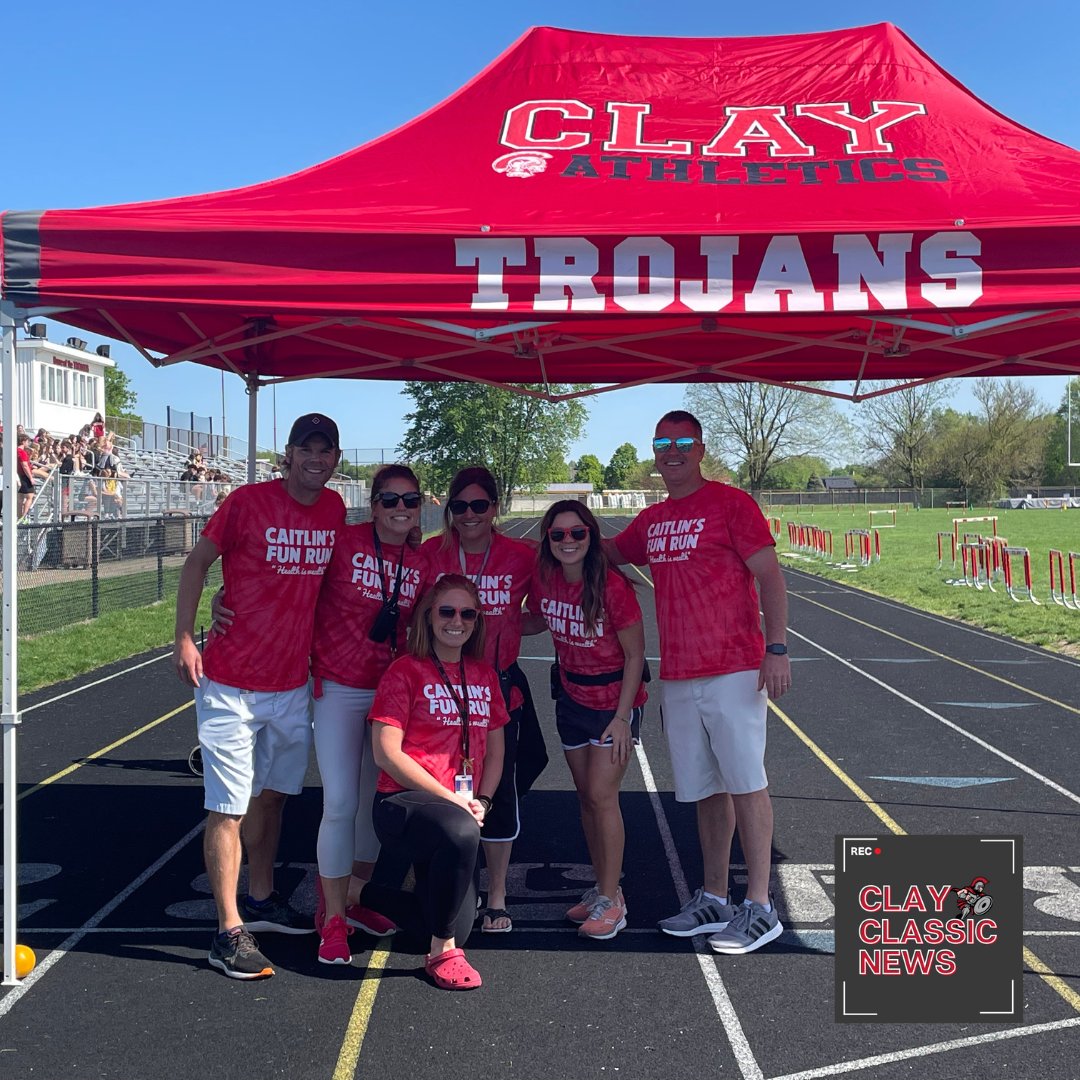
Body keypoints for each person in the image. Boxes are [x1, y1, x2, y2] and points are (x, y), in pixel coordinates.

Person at [608, 410, 791, 955]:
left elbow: (770, 576)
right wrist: (550, 541)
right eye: (662, 442)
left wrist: (777, 648)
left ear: (701, 450)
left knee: (746, 783)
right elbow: (606, 553)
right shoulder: (652, 519)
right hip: (680, 673)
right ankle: (715, 896)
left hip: (735, 668)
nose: (672, 451)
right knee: (705, 790)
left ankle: (760, 906)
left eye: (683, 442)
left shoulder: (732, 505)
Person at [173, 413, 344, 980]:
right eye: (306, 449)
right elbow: (198, 561)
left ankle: (263, 897)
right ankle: (227, 932)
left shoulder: (334, 509)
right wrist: (184, 636)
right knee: (228, 806)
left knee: (274, 798)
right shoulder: (247, 502)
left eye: (325, 450)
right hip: (231, 685)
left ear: (335, 459)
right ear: (288, 454)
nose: (316, 459)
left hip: (291, 685)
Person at [307, 464, 432, 964]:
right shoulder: (343, 542)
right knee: (339, 803)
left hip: (388, 694)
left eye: (410, 500)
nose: (401, 508)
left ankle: (352, 901)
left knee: (371, 805)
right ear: (374, 505)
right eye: (390, 500)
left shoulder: (419, 561)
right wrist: (229, 596)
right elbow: (295, 586)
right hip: (338, 686)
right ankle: (331, 918)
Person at [419, 467, 546, 934]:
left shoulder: (520, 555)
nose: (469, 514)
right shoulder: (431, 554)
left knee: (498, 794)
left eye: (479, 505)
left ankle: (496, 895)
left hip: (497, 690)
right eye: (459, 506)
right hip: (439, 689)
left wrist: (506, 624)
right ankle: (450, 880)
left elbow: (545, 610)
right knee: (440, 787)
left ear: (494, 508)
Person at [369, 573, 508, 990]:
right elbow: (386, 753)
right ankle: (441, 953)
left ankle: (354, 893)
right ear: (429, 617)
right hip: (402, 804)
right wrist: (452, 799)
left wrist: (483, 799)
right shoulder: (404, 671)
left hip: (458, 811)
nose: (456, 621)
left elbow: (496, 751)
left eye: (467, 614)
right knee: (462, 830)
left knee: (457, 922)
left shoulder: (484, 674)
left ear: (477, 620)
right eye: (447, 611)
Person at [532, 501, 646, 941]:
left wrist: (622, 717)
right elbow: (535, 620)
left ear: (591, 536)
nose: (568, 541)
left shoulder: (612, 586)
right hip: (571, 699)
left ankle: (613, 901)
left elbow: (636, 655)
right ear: (548, 539)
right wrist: (487, 620)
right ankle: (602, 888)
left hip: (612, 704)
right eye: (558, 534)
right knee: (585, 798)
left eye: (577, 533)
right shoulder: (545, 580)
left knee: (602, 795)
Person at [16, 433, 36, 518]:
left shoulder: (15, 451)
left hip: (18, 475)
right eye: (27, 441)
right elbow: (24, 465)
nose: (28, 443)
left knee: (20, 497)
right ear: (23, 442)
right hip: (24, 476)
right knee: (30, 496)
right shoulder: (22, 452)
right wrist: (30, 478)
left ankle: (19, 517)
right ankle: (23, 517)